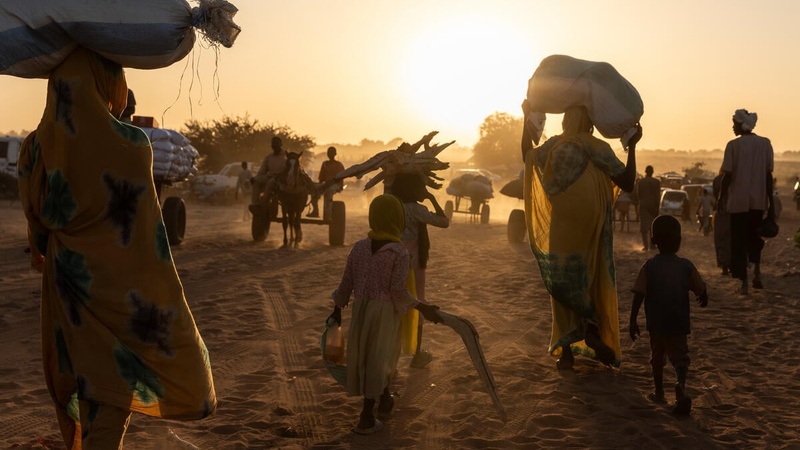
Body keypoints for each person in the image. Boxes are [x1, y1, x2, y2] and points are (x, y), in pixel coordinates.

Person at [16, 47, 216, 449]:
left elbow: (37, 227)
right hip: (125, 294)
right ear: (111, 83)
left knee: (86, 381)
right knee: (114, 389)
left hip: (67, 290)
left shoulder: (36, 148)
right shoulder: (132, 146)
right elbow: (147, 232)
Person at [521, 103, 641, 369]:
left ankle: (567, 351)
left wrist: (525, 119)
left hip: (563, 224)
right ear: (590, 123)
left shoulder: (553, 146)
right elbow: (629, 181)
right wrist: (632, 145)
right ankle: (592, 330)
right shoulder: (597, 147)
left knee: (563, 276)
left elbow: (527, 156)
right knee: (590, 275)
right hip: (592, 222)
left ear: (565, 121)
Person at [328, 194, 443, 434]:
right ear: (396, 219)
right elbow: (398, 291)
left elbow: (345, 284)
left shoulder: (359, 247)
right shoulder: (399, 253)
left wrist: (337, 310)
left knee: (369, 356)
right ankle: (366, 416)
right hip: (385, 313)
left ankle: (385, 400)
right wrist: (424, 308)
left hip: (361, 310)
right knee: (381, 359)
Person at [629, 215, 708, 415]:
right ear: (679, 240)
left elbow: (639, 294)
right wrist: (703, 296)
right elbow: (699, 288)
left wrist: (632, 320)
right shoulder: (686, 265)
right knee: (680, 357)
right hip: (678, 321)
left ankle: (659, 391)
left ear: (654, 241)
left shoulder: (649, 266)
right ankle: (680, 384)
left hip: (656, 322)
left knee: (657, 357)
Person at [390, 173, 450, 368]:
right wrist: (432, 198)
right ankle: (417, 353)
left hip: (391, 258)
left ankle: (392, 351)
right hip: (413, 263)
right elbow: (444, 221)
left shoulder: (392, 206)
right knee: (418, 302)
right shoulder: (417, 209)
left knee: (394, 304)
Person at [719, 109, 775, 294]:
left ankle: (744, 283)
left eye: (734, 123)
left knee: (739, 242)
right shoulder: (765, 144)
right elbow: (768, 177)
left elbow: (727, 175)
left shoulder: (733, 146)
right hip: (758, 202)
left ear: (741, 124)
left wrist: (720, 198)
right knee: (755, 239)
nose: (732, 126)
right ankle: (757, 274)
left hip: (738, 202)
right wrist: (771, 205)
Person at [309, 146, 345, 219]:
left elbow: (339, 178)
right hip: (325, 184)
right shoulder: (325, 163)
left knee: (328, 193)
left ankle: (328, 214)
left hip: (336, 185)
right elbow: (321, 177)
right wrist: (319, 187)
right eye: (329, 153)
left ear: (335, 154)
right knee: (314, 191)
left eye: (331, 153)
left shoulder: (339, 165)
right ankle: (315, 211)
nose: (330, 154)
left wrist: (327, 184)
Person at [250, 136, 287, 208]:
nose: (275, 145)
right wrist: (255, 178)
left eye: (277, 143)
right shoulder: (269, 157)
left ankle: (264, 204)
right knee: (256, 182)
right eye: (273, 144)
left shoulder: (286, 155)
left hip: (281, 178)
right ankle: (255, 205)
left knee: (270, 183)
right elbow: (262, 170)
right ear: (271, 146)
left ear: (281, 144)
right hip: (270, 176)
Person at [636, 166, 661, 251]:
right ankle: (652, 245)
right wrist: (657, 207)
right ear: (652, 172)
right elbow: (658, 196)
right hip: (653, 205)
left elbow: (638, 195)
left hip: (643, 205)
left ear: (645, 172)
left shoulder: (641, 182)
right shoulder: (657, 182)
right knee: (653, 226)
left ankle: (645, 245)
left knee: (644, 227)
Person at [712, 172, 731, 275]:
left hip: (721, 214)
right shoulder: (737, 179)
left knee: (720, 240)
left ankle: (724, 266)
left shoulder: (717, 180)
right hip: (733, 214)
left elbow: (715, 196)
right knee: (731, 241)